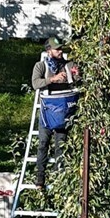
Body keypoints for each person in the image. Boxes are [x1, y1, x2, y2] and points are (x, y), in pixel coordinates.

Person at [31, 39, 82, 191]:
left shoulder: (69, 65)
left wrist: (77, 75)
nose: (60, 51)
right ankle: (40, 178)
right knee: (43, 144)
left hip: (64, 110)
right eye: (57, 49)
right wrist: (52, 79)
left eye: (61, 49)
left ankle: (59, 177)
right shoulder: (41, 66)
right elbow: (35, 84)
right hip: (48, 111)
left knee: (61, 144)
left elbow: (79, 81)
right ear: (49, 51)